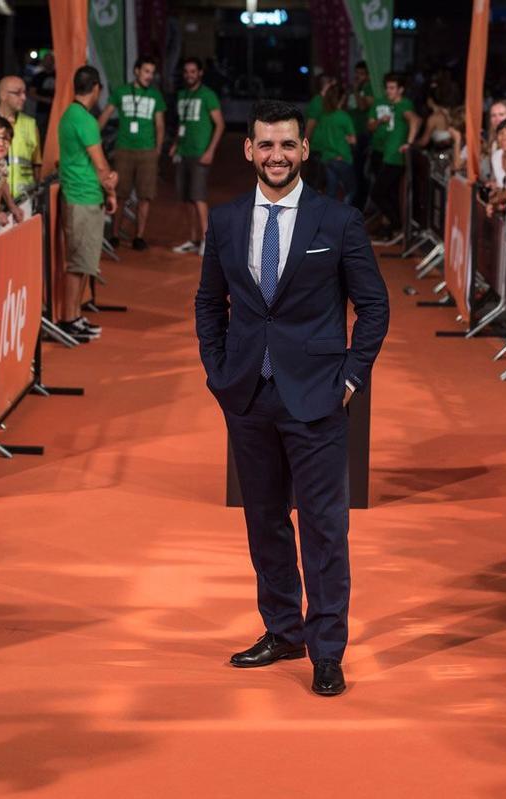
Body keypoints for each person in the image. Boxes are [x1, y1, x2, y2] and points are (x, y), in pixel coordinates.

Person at [193, 99, 389, 698]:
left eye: (287, 145)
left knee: (325, 531)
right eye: (266, 145)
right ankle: (283, 629)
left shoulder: (338, 221)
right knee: (265, 523)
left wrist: (350, 380)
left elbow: (375, 306)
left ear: (304, 150)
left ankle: (327, 651)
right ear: (248, 150)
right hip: (249, 398)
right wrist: (220, 374)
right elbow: (208, 304)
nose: (277, 155)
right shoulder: (225, 222)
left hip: (319, 400)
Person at [58, 66, 118, 340]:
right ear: (95, 88)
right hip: (82, 197)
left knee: (82, 262)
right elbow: (100, 163)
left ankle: (75, 316)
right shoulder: (85, 120)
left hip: (80, 195)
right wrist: (112, 190)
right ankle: (69, 319)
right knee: (78, 263)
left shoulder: (70, 116)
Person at [99, 55, 167, 251]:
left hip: (147, 151)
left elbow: (160, 124)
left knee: (145, 196)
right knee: (120, 194)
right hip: (124, 150)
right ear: (136, 71)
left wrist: (158, 149)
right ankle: (114, 235)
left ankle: (139, 236)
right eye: (146, 71)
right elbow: (105, 114)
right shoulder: (121, 92)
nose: (149, 76)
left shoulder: (155, 96)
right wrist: (93, 135)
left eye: (152, 73)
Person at [169, 57, 224, 254]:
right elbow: (182, 124)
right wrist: (176, 143)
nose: (189, 75)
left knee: (198, 197)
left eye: (193, 71)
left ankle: (206, 241)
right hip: (183, 152)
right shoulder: (182, 95)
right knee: (186, 200)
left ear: (200, 73)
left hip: (200, 154)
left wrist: (210, 151)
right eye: (186, 72)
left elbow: (220, 124)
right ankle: (192, 239)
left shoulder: (208, 95)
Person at [367, 73, 419, 245]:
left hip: (395, 157)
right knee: (387, 193)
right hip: (387, 154)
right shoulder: (393, 106)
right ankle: (393, 228)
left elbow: (415, 120)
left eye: (392, 88)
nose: (388, 91)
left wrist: (409, 143)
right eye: (387, 87)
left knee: (378, 192)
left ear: (400, 89)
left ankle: (396, 224)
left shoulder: (404, 105)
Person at [311, 82, 357, 204]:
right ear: (342, 98)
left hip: (327, 158)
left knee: (331, 191)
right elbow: (353, 140)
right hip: (342, 158)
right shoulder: (344, 117)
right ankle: (344, 219)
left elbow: (319, 139)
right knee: (351, 190)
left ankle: (329, 220)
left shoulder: (324, 116)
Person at [0, 75, 42, 199]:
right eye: (17, 93)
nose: (24, 97)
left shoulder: (31, 125)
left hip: (25, 198)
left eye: (24, 93)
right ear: (3, 95)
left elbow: (37, 164)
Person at [349, 61, 374, 209]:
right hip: (353, 133)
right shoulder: (355, 88)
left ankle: (360, 203)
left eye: (362, 74)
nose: (358, 76)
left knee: (360, 170)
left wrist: (357, 90)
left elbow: (363, 106)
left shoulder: (368, 88)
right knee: (354, 169)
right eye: (357, 73)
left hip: (363, 134)